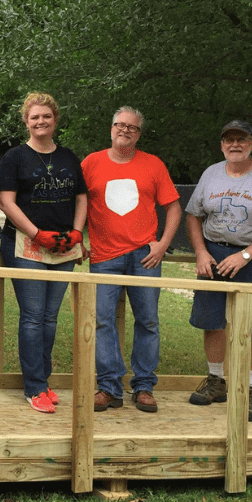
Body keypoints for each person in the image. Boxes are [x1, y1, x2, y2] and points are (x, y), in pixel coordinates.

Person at [186, 120, 252, 422]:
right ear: (222, 145)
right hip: (213, 255)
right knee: (212, 321)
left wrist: (245, 254)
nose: (234, 144)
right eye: (228, 140)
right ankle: (216, 382)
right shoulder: (211, 174)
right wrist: (200, 252)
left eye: (241, 139)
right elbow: (193, 216)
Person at [81, 106, 181, 414]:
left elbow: (174, 208)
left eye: (132, 127)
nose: (125, 130)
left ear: (139, 134)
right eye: (120, 125)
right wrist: (77, 240)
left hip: (144, 257)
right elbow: (78, 203)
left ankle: (144, 386)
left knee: (148, 320)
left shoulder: (152, 165)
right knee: (101, 321)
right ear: (111, 129)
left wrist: (163, 244)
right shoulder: (91, 163)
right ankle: (109, 387)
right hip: (104, 255)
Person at [0, 92, 87, 414]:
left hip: (63, 246)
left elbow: (81, 197)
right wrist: (37, 234)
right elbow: (7, 202)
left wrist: (77, 233)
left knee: (50, 318)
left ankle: (44, 381)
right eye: (34, 117)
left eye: (46, 117)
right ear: (26, 120)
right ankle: (33, 387)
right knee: (33, 318)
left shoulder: (68, 157)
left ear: (55, 120)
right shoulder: (15, 157)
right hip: (26, 245)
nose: (40, 122)